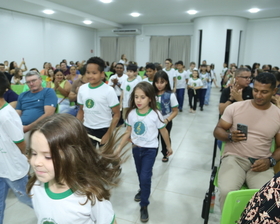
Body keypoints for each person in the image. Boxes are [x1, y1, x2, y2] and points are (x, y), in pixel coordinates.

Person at [27, 113, 121, 224]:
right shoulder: (36, 187)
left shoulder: (90, 195)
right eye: (33, 153)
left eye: (48, 157)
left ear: (72, 156)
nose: (36, 162)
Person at [213, 73, 280, 210]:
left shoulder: (278, 115)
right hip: (234, 158)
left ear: (274, 91)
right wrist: (229, 136)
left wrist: (270, 161)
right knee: (228, 192)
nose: (258, 95)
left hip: (261, 162)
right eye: (255, 90)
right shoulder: (236, 107)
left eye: (264, 92)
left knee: (267, 197)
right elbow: (218, 130)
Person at [116, 82, 173, 222]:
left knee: (145, 176)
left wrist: (168, 147)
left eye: (142, 97)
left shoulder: (155, 114)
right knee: (140, 173)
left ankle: (144, 205)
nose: (139, 100)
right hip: (136, 148)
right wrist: (118, 149)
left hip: (150, 149)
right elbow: (128, 132)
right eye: (136, 97)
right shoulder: (131, 114)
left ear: (150, 98)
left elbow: (163, 131)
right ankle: (142, 189)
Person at [0, 72, 32, 223]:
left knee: (26, 199)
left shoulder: (6, 115)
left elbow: (20, 142)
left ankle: (55, 216)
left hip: (13, 167)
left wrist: (24, 155)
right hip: (1, 166)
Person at [77, 57, 120, 146]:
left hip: (105, 129)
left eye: (94, 73)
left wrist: (108, 134)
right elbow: (81, 110)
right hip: (87, 129)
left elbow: (116, 114)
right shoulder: (82, 89)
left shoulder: (109, 90)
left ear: (102, 74)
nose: (90, 76)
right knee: (88, 158)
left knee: (104, 158)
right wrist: (76, 127)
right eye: (88, 72)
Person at [153, 71, 178, 162]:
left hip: (166, 121)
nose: (159, 85)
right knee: (153, 138)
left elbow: (175, 111)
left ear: (167, 82)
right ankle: (152, 154)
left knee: (165, 137)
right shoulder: (151, 94)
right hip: (153, 122)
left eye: (162, 82)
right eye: (157, 82)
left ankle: (165, 153)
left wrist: (167, 120)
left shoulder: (170, 95)